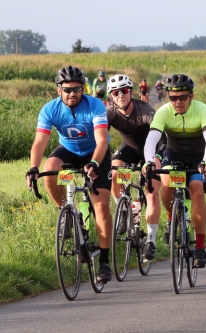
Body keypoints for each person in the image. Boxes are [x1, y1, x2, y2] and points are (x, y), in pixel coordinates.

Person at [25, 65, 114, 282]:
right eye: (67, 89)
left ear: (83, 88)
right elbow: (40, 142)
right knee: (48, 168)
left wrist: (94, 162)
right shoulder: (49, 109)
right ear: (59, 90)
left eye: (76, 89)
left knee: (100, 204)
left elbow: (102, 140)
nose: (72, 93)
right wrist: (33, 167)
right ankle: (66, 213)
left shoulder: (94, 105)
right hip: (69, 150)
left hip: (96, 152)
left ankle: (104, 261)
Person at [143, 74, 206, 268]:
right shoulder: (164, 112)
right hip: (173, 154)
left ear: (191, 97)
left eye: (182, 97)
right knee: (166, 184)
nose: (177, 102)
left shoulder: (202, 110)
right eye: (173, 98)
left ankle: (200, 247)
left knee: (196, 189)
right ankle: (171, 218)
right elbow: (152, 139)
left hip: (197, 157)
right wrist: (149, 162)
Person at [106, 74, 165, 261]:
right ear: (111, 96)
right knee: (114, 173)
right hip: (129, 148)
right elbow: (100, 137)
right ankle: (124, 211)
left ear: (131, 92)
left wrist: (157, 157)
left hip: (151, 149)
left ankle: (150, 240)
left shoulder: (145, 110)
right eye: (116, 92)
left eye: (124, 91)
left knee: (152, 192)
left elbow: (163, 137)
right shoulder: (110, 112)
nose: (120, 95)